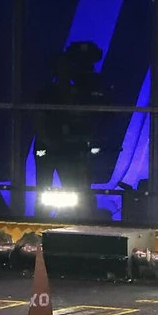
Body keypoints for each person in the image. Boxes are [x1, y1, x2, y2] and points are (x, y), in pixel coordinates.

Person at [33, 41, 110, 218]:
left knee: (72, 189)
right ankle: (40, 219)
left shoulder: (79, 94)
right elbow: (38, 120)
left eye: (68, 67)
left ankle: (71, 218)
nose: (67, 71)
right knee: (43, 189)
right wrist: (48, 141)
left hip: (68, 148)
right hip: (49, 147)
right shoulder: (47, 93)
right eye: (62, 67)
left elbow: (87, 118)